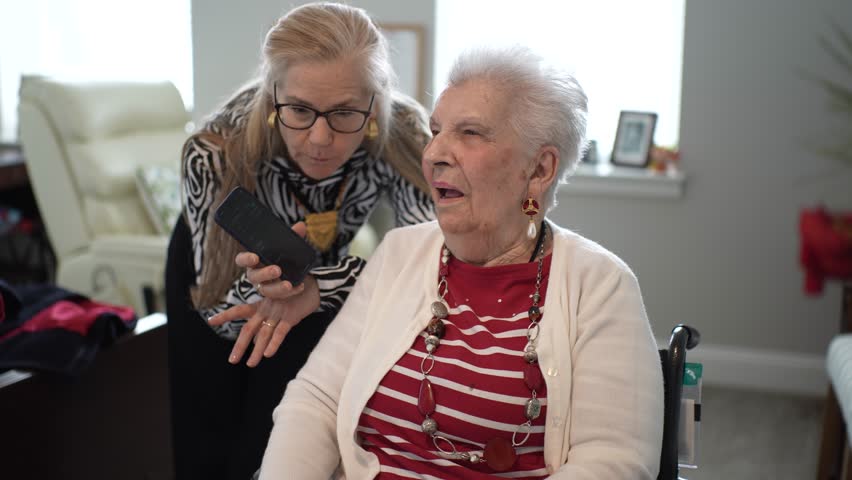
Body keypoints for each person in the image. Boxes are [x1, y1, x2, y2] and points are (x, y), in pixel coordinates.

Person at [255, 46, 664, 479]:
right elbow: (317, 399)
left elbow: (613, 462)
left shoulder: (600, 285)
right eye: (436, 131)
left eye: (470, 133)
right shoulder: (400, 253)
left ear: (540, 169)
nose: (433, 154)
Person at [167, 3, 434, 479]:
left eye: (346, 112)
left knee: (288, 418)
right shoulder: (213, 152)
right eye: (299, 110)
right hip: (216, 272)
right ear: (273, 98)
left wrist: (318, 287)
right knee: (208, 425)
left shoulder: (407, 134)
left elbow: (427, 260)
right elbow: (220, 310)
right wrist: (275, 291)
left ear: (374, 105)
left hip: (319, 271)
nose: (320, 138)